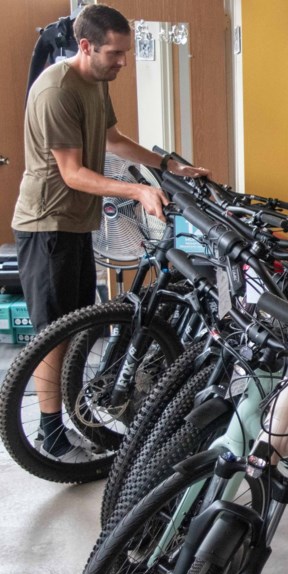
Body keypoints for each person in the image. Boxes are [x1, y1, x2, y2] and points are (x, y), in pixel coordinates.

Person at [12, 4, 209, 459]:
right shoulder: (57, 91)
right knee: (54, 334)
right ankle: (51, 434)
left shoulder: (95, 84)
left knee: (79, 326)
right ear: (86, 46)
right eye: (116, 53)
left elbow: (115, 141)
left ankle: (73, 419)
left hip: (77, 223)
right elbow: (73, 173)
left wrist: (171, 166)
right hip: (48, 225)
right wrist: (137, 193)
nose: (122, 61)